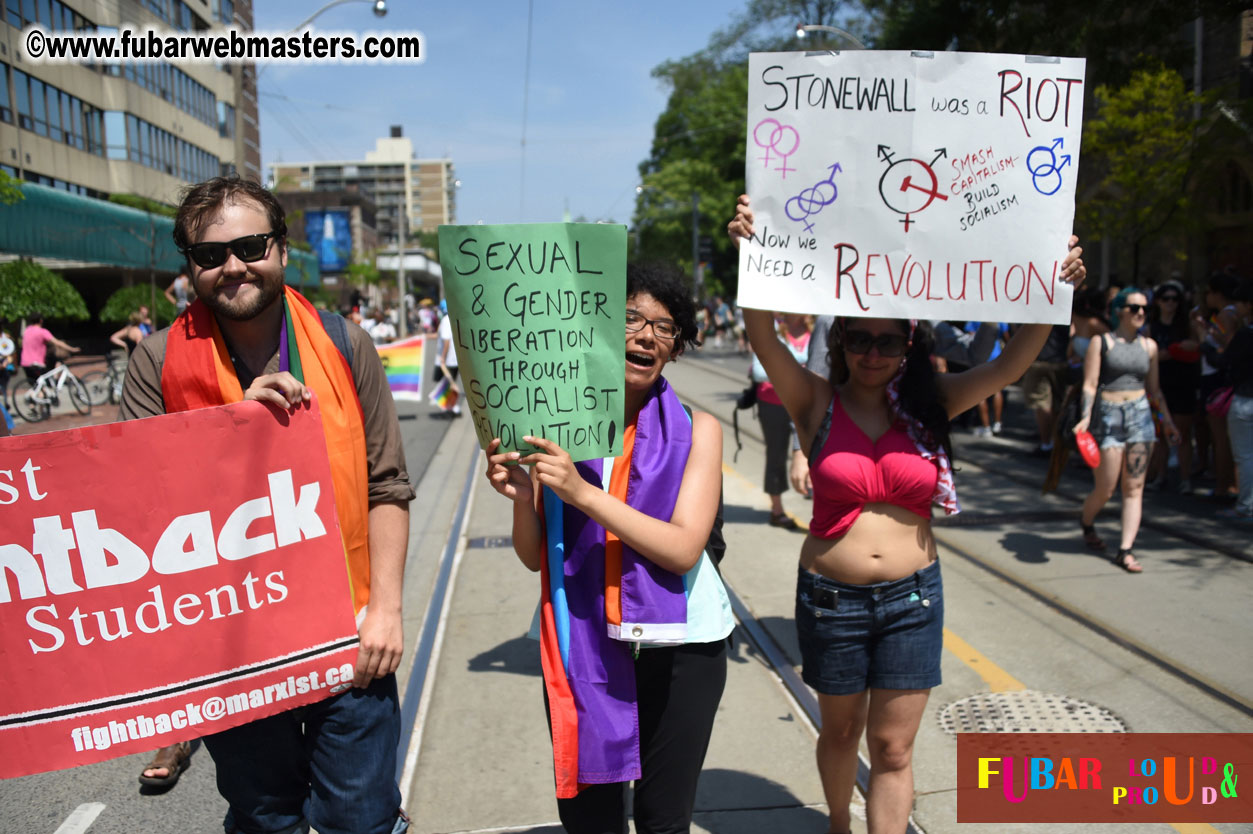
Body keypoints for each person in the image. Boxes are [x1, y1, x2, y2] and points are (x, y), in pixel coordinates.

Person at [729, 193, 1086, 834]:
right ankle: (840, 821)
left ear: (907, 345)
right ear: (842, 341)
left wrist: (1052, 289)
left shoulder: (934, 401)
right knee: (841, 734)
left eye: (887, 341)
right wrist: (752, 254)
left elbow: (1011, 364)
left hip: (912, 600)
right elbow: (763, 334)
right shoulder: (814, 401)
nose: (872, 352)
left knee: (893, 749)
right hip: (831, 598)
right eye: (860, 339)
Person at [119, 175, 414, 833]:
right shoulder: (157, 363)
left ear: (281, 249)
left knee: (361, 819)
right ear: (189, 267)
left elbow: (386, 486)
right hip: (230, 648)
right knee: (264, 818)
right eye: (209, 254)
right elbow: (138, 517)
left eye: (251, 245)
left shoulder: (343, 343)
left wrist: (386, 613)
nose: (232, 266)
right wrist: (231, 426)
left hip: (349, 633)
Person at [483, 261, 732, 834]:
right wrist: (526, 500)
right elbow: (535, 556)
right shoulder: (553, 422)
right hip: (582, 639)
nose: (647, 335)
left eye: (664, 328)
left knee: (662, 819)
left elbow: (683, 550)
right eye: (630, 319)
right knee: (588, 817)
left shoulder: (701, 430)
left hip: (681, 645)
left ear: (675, 348)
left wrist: (581, 493)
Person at [1073, 288, 1181, 573]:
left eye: (1145, 309)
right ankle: (1086, 522)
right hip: (1108, 417)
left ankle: (1125, 550)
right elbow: (1090, 384)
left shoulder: (1150, 347)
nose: (1141, 313)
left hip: (1140, 417)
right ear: (1120, 310)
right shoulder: (1102, 342)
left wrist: (1167, 422)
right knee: (1106, 489)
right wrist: (1085, 417)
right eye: (1134, 308)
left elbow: (1154, 391)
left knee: (1134, 488)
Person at [752, 313, 810, 528]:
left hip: (807, 402)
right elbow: (758, 371)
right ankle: (777, 510)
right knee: (776, 455)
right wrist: (798, 367)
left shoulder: (816, 332)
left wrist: (783, 364)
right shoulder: (774, 331)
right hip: (773, 404)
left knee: (815, 452)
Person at [1205, 276, 1253, 520]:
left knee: (1245, 456)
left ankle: (1246, 506)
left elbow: (1224, 361)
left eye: (1241, 303)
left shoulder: (1245, 334)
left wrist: (1206, 346)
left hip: (1245, 399)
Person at [1147, 280, 1199, 491]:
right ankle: (1161, 476)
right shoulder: (1152, 327)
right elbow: (1147, 357)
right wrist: (1168, 353)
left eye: (1175, 299)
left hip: (1184, 385)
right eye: (1166, 298)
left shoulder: (1188, 326)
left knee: (1183, 433)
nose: (1170, 303)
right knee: (1160, 433)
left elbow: (1199, 347)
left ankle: (1185, 479)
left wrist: (1188, 347)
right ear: (1158, 301)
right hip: (1160, 386)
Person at [1196, 272, 1240, 499]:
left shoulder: (1227, 314)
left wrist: (1204, 337)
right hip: (1218, 377)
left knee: (1221, 437)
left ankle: (1226, 485)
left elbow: (1229, 349)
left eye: (1209, 293)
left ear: (1217, 293)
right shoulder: (1229, 314)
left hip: (1217, 379)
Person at [20, 312, 80, 382]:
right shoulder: (42, 332)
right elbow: (57, 343)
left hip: (24, 362)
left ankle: (49, 384)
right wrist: (72, 349)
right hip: (37, 363)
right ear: (41, 320)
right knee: (56, 364)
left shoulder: (27, 330)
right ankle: (55, 379)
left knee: (37, 387)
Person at [432, 301, 461, 415]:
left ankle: (450, 406)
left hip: (448, 359)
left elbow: (446, 341)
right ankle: (451, 406)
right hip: (455, 359)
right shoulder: (454, 318)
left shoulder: (445, 321)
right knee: (450, 383)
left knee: (447, 384)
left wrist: (442, 357)